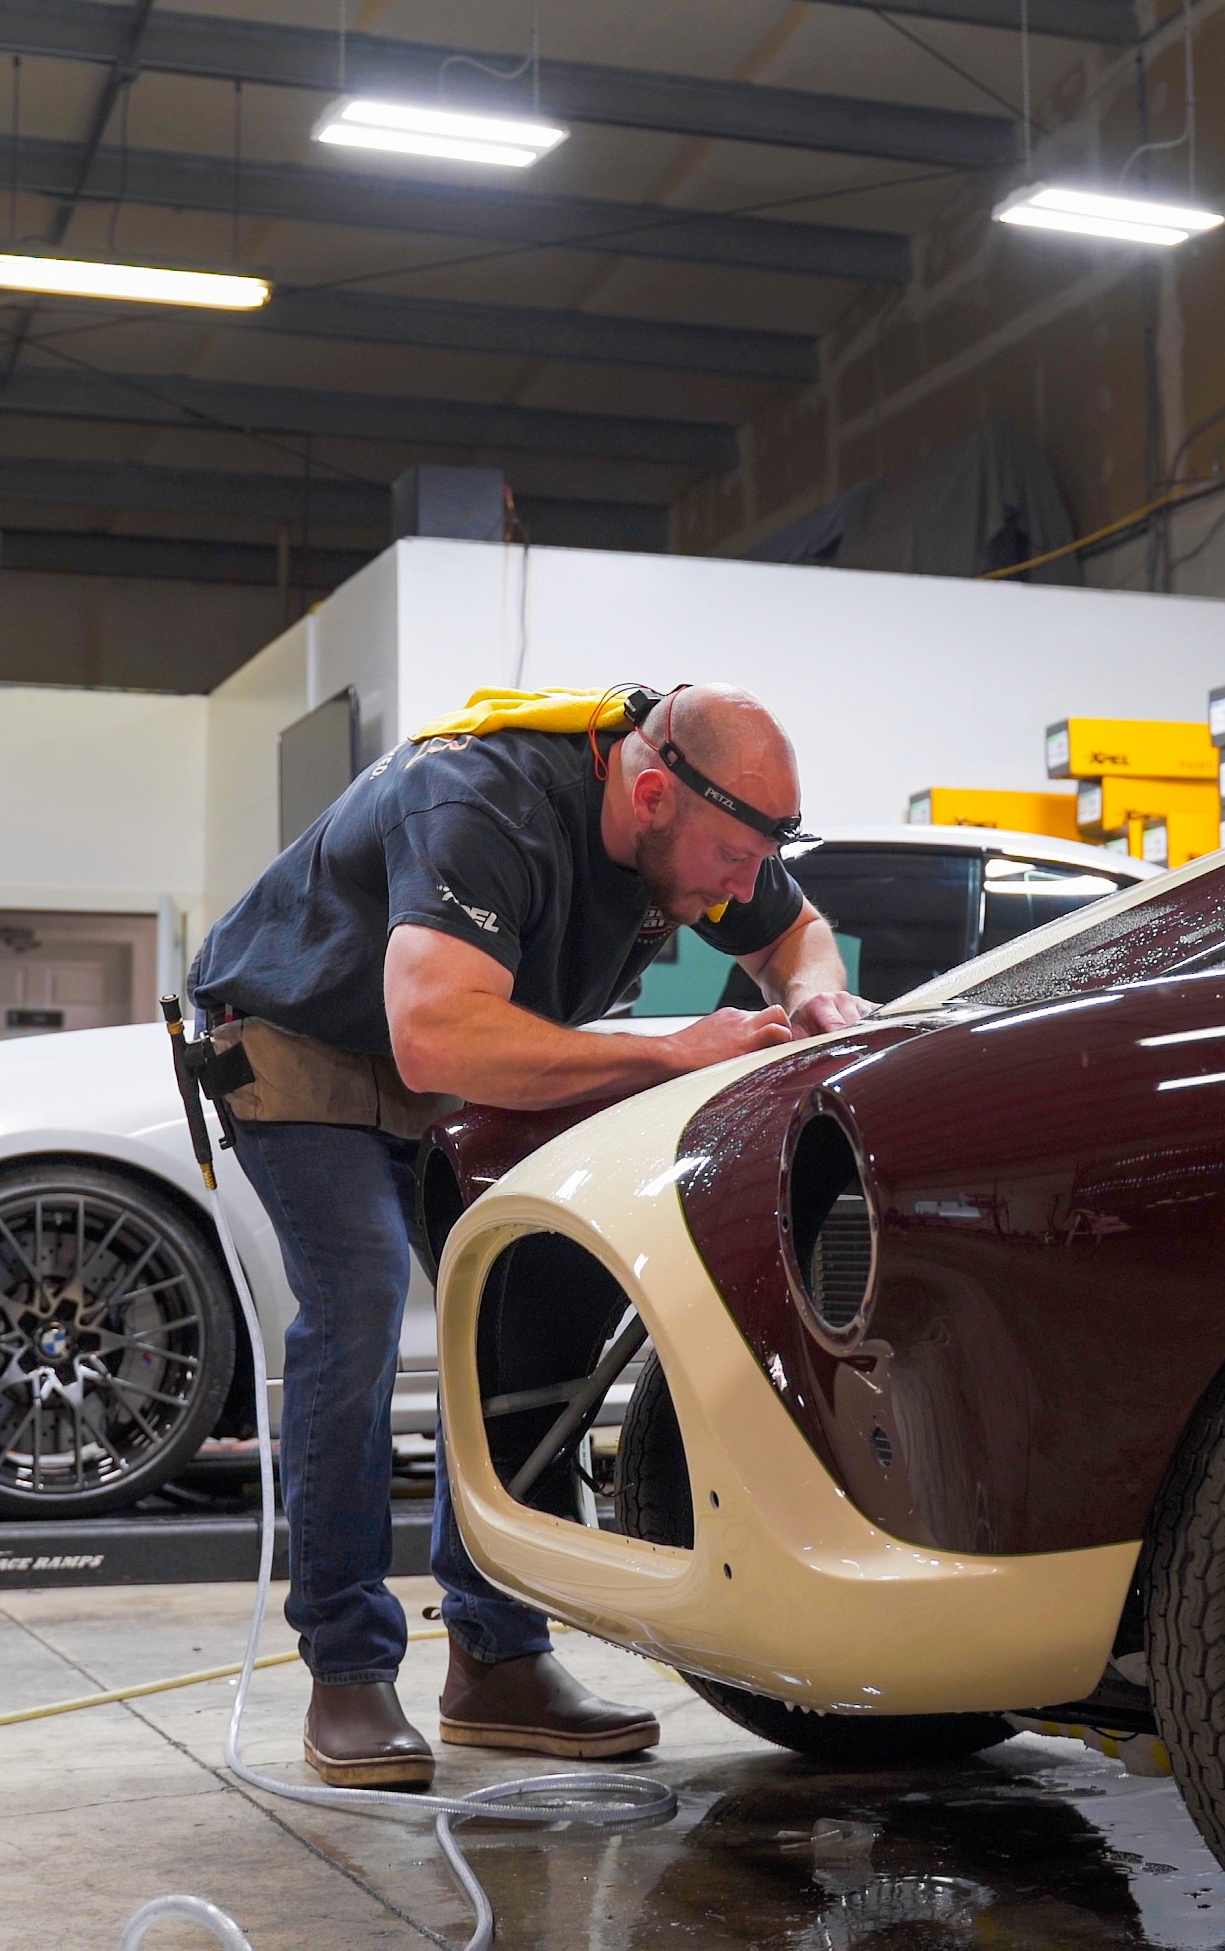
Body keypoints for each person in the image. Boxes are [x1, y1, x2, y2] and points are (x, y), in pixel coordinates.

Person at [186, 683, 867, 1787]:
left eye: (758, 859)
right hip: (302, 1041)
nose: (744, 887)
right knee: (360, 1303)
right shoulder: (478, 804)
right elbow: (433, 1037)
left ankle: (498, 1662)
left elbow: (797, 933)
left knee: (521, 1304)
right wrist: (671, 1053)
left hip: (449, 1054)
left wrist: (820, 993)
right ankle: (347, 1674)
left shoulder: (702, 825)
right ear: (651, 795)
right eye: (733, 860)